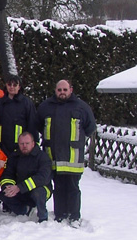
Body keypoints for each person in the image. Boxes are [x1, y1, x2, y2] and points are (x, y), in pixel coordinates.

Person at [37, 80, 96, 226]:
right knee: (58, 187)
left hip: (73, 158)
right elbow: (38, 125)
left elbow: (90, 127)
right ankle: (60, 214)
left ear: (71, 89)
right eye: (59, 90)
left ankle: (74, 216)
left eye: (65, 89)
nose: (62, 92)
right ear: (55, 90)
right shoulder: (46, 106)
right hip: (53, 156)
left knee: (73, 188)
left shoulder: (81, 107)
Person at [0, 132, 52, 223]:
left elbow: (42, 177)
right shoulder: (14, 156)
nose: (24, 146)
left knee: (38, 192)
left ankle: (43, 216)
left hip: (40, 189)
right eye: (22, 144)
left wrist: (20, 187)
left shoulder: (42, 157)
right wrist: (8, 186)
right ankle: (24, 210)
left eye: (27, 143)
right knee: (3, 193)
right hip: (20, 191)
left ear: (33, 143)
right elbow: (7, 174)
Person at [0, 75, 39, 155]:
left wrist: (32, 144)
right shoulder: (0, 103)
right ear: (6, 85)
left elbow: (32, 125)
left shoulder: (26, 103)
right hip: (1, 146)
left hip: (20, 147)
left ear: (19, 87)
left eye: (15, 85)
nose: (12, 87)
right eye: (9, 84)